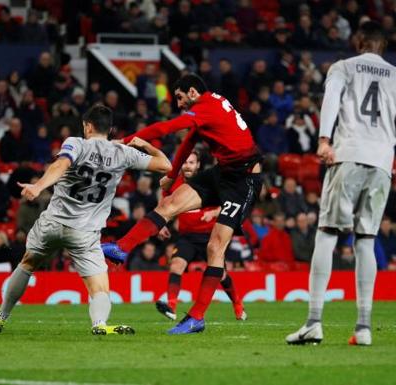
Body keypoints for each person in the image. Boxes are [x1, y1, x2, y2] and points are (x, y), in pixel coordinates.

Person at [0, 104, 171, 335]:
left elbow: (60, 164)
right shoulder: (123, 153)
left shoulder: (76, 143)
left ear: (88, 126)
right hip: (85, 233)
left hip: (53, 223)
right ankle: (100, 325)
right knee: (99, 286)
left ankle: (2, 315)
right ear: (110, 129)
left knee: (28, 263)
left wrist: (39, 186)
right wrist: (144, 144)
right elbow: (166, 165)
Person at [102, 74, 262, 335]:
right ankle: (121, 248)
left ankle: (196, 317)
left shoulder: (206, 107)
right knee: (170, 204)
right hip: (222, 172)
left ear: (192, 91)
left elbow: (165, 128)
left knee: (215, 247)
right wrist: (171, 176)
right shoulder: (209, 106)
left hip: (244, 181)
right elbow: (188, 141)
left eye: (179, 97)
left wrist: (125, 140)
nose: (178, 104)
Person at [286, 22, 396, 347]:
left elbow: (331, 98)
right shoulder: (394, 73)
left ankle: (313, 323)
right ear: (383, 45)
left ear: (359, 41)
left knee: (327, 233)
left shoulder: (344, 67)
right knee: (365, 240)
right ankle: (363, 328)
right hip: (381, 163)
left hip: (348, 154)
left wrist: (324, 139)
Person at [155, 151, 245, 322]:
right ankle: (171, 307)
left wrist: (214, 212)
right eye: (185, 162)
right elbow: (165, 204)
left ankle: (237, 304)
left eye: (191, 162)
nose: (187, 165)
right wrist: (161, 223)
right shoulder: (173, 183)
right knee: (176, 265)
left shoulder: (210, 181)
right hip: (187, 237)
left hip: (210, 237)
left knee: (222, 275)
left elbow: (231, 204)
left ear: (198, 165)